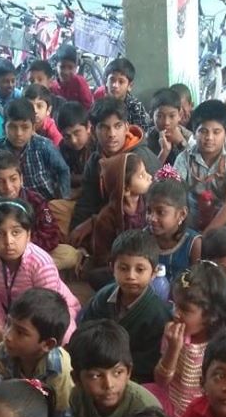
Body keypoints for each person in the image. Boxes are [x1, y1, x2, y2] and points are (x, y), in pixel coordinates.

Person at [0, 200, 80, 346]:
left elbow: (48, 309)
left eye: (16, 232)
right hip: (6, 307)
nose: (9, 241)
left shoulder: (41, 263)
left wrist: (14, 333)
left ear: (28, 234)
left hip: (49, 310)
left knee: (64, 338)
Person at [82, 230, 173, 385]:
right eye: (123, 268)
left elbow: (148, 362)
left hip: (132, 379)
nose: (131, 276)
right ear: (112, 268)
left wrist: (115, 368)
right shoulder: (103, 296)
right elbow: (85, 330)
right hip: (97, 367)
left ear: (154, 272)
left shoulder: (158, 314)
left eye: (140, 270)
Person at [154, 262, 226, 417]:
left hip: (204, 416)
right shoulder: (173, 333)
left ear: (211, 315)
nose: (175, 313)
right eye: (175, 305)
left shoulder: (223, 345)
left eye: (185, 310)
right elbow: (161, 381)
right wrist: (173, 349)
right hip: (170, 406)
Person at [70, 98, 160, 240]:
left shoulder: (142, 158)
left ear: (126, 127)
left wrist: (94, 222)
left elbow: (157, 206)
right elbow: (87, 202)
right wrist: (75, 233)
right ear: (93, 131)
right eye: (104, 127)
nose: (111, 134)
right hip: (107, 223)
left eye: (117, 126)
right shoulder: (95, 161)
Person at [0, 288, 75, 415]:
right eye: (8, 323)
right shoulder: (3, 352)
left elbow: (62, 415)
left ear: (47, 344)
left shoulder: (59, 369)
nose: (8, 336)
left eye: (20, 332)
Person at [176, 99, 226, 232]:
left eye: (216, 132)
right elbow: (175, 194)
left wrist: (206, 235)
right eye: (203, 131)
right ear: (194, 133)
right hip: (192, 219)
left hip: (225, 221)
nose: (209, 137)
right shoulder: (184, 158)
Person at [87, 152, 152, 281]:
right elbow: (102, 255)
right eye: (141, 175)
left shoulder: (149, 204)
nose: (149, 177)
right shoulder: (107, 217)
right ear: (126, 189)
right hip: (121, 266)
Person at [0, 150, 63, 258]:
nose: (8, 187)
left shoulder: (36, 200)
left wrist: (21, 246)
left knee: (68, 255)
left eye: (13, 179)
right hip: (1, 254)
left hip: (36, 252)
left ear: (21, 179)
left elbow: (52, 235)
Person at [0, 98, 70, 202]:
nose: (19, 133)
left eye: (25, 127)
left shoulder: (44, 146)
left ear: (33, 128)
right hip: (14, 202)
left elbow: (63, 170)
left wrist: (63, 197)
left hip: (45, 201)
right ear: (4, 127)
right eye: (12, 127)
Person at [146, 172, 202, 283]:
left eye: (160, 212)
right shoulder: (144, 238)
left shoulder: (193, 244)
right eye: (148, 211)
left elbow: (197, 283)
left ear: (182, 214)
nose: (152, 218)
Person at [94, 58, 152, 132]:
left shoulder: (135, 107)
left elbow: (141, 134)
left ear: (130, 86)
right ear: (106, 82)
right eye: (112, 80)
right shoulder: (99, 104)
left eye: (121, 82)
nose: (115, 85)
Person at [147, 87, 192, 167]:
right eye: (160, 116)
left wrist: (181, 143)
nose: (166, 122)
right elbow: (147, 173)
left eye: (172, 116)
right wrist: (164, 152)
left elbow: (195, 169)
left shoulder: (189, 137)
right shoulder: (147, 139)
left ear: (180, 115)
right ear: (151, 116)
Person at [52, 44, 93, 109]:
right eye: (62, 67)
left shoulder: (80, 83)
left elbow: (88, 107)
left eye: (70, 67)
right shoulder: (53, 87)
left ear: (76, 67)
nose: (66, 72)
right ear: (56, 66)